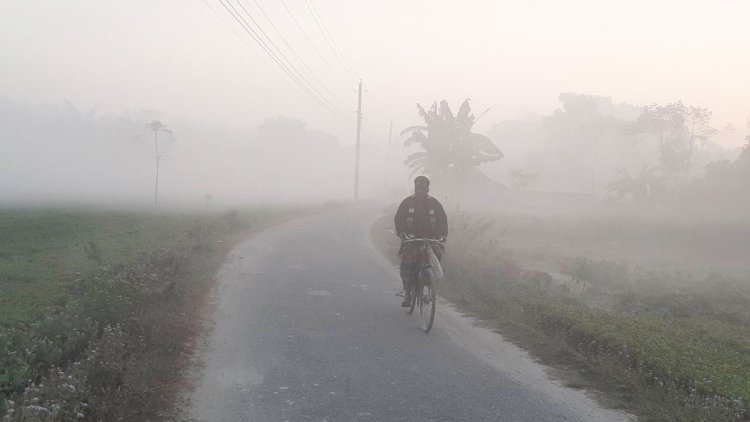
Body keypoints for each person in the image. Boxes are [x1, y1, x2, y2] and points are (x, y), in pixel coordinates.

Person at [394, 176, 448, 307]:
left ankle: (429, 284)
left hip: (430, 239)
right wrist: (402, 233)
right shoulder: (407, 202)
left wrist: (442, 236)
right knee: (408, 264)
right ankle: (407, 293)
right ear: (414, 188)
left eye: (422, 188)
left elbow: (443, 220)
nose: (419, 191)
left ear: (427, 189)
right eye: (417, 188)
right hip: (411, 239)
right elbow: (399, 218)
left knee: (437, 255)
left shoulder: (435, 203)